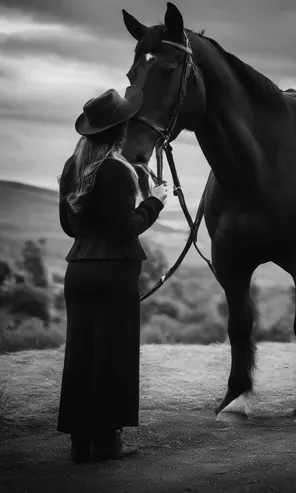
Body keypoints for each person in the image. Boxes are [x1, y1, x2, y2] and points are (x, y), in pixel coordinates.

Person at [57, 86, 168, 463]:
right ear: (120, 131)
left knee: (82, 355)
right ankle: (106, 441)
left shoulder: (72, 168)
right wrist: (155, 201)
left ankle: (80, 443)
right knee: (113, 354)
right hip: (113, 274)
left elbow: (69, 228)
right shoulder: (118, 172)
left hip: (79, 272)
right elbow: (126, 229)